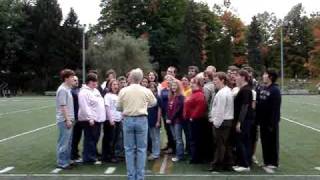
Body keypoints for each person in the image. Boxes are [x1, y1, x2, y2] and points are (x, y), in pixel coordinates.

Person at [117, 68, 157, 180]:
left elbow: (118, 107)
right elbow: (154, 102)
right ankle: (140, 176)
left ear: (131, 78)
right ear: (140, 78)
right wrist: (144, 106)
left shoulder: (124, 90)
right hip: (141, 119)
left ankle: (131, 176)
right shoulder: (145, 90)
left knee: (129, 149)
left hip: (128, 119)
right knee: (141, 149)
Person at [256, 69, 281, 174]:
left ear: (270, 77)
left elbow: (276, 109)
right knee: (265, 142)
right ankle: (267, 161)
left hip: (271, 122)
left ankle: (273, 162)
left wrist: (272, 123)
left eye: (265, 74)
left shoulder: (275, 90)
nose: (263, 75)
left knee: (272, 142)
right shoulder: (263, 88)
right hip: (262, 121)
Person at [78, 73, 106, 164]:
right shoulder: (84, 92)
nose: (96, 83)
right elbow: (84, 107)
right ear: (89, 82)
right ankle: (89, 158)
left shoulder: (95, 91)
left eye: (96, 81)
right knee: (90, 139)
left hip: (98, 119)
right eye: (94, 81)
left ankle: (90, 155)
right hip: (89, 120)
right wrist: (90, 118)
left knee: (95, 138)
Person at [209, 72, 234, 171]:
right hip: (226, 121)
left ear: (222, 80)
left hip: (222, 122)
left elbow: (220, 110)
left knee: (220, 145)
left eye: (216, 80)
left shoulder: (222, 93)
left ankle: (217, 165)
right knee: (225, 144)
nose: (214, 82)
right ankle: (228, 164)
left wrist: (216, 123)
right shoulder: (226, 91)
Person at [233, 70, 253, 172]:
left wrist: (240, 122)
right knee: (243, 141)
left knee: (241, 141)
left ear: (243, 77)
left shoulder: (245, 90)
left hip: (244, 121)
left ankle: (245, 165)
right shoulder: (245, 89)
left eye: (237, 76)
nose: (235, 78)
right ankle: (242, 162)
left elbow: (245, 106)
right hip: (244, 120)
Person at [55, 69, 76, 169]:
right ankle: (62, 162)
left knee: (68, 142)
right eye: (71, 77)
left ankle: (67, 160)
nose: (73, 79)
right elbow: (63, 106)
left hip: (69, 119)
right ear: (66, 78)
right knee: (64, 142)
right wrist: (67, 119)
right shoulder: (62, 89)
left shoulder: (67, 89)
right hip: (64, 120)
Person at [184, 77, 207, 164]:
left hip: (196, 121)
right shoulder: (192, 93)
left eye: (194, 83)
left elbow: (200, 108)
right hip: (191, 120)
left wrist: (192, 117)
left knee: (196, 140)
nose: (191, 84)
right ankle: (194, 156)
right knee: (192, 139)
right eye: (191, 82)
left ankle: (196, 158)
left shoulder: (199, 94)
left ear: (199, 84)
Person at [103, 79, 123, 163]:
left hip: (118, 120)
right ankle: (108, 156)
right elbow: (107, 108)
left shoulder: (119, 96)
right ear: (110, 86)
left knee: (116, 139)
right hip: (111, 120)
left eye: (117, 85)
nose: (116, 86)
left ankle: (113, 154)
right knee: (110, 139)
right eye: (114, 84)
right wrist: (111, 119)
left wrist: (121, 117)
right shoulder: (108, 95)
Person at [167, 80, 185, 162]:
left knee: (178, 139)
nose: (173, 87)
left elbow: (178, 110)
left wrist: (171, 119)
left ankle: (179, 156)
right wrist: (168, 118)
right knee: (175, 138)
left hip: (177, 121)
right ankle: (178, 154)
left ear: (178, 86)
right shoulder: (171, 96)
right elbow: (168, 109)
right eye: (172, 85)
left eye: (175, 85)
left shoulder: (181, 96)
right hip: (171, 120)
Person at [147, 82, 161, 161]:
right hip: (149, 120)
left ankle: (156, 153)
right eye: (150, 87)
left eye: (153, 87)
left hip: (155, 120)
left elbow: (159, 110)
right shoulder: (147, 97)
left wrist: (158, 121)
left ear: (155, 88)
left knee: (156, 137)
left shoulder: (157, 97)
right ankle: (154, 152)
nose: (151, 89)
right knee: (152, 137)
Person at [70, 76, 83, 162]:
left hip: (79, 117)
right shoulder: (70, 91)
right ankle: (72, 155)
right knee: (73, 137)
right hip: (74, 117)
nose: (76, 82)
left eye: (77, 80)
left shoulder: (78, 90)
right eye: (74, 80)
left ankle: (75, 153)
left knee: (78, 136)